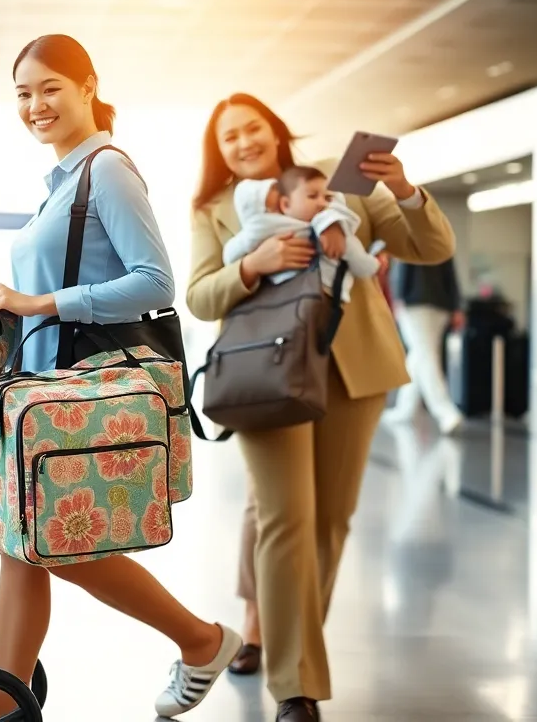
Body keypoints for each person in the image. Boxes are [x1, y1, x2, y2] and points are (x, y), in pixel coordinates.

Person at [0, 34, 242, 721]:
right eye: (23, 94)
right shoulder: (63, 182)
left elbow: (155, 282)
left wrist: (42, 303)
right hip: (42, 395)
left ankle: (202, 640)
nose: (35, 105)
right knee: (23, 550)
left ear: (89, 86)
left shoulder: (109, 171)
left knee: (54, 548)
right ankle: (4, 710)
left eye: (50, 88)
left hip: (77, 393)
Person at [187, 93, 455, 721]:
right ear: (219, 152)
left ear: (274, 131)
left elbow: (429, 248)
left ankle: (279, 643)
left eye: (252, 128)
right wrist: (253, 264)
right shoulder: (215, 209)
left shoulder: (339, 178)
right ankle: (295, 685)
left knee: (332, 521)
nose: (244, 142)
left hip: (353, 371)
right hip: (267, 375)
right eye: (229, 138)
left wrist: (408, 191)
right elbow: (201, 295)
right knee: (287, 520)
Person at [225, 166, 381, 300]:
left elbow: (230, 255)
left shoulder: (325, 225)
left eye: (327, 198)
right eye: (312, 196)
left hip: (288, 298)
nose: (322, 203)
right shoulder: (261, 227)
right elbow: (361, 263)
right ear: (285, 204)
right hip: (314, 293)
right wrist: (374, 264)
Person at [383, 259, 465, 434]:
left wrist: (397, 297)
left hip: (415, 302)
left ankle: (446, 413)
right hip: (440, 304)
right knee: (421, 355)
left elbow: (403, 266)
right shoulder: (441, 238)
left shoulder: (410, 234)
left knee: (425, 356)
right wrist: (456, 306)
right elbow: (450, 275)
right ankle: (404, 409)